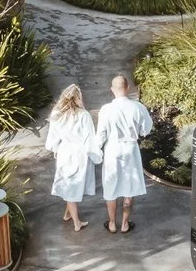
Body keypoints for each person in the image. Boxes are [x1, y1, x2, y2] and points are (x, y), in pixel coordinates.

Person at [95, 74, 153, 233]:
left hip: (112, 150)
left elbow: (100, 135)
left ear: (112, 90)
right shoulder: (138, 107)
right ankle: (125, 224)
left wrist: (95, 151)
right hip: (130, 150)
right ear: (127, 88)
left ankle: (112, 223)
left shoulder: (106, 109)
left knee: (111, 187)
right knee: (129, 187)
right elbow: (146, 129)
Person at [44, 84, 97, 231]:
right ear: (78, 98)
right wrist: (96, 156)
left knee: (69, 185)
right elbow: (90, 138)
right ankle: (76, 223)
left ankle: (67, 214)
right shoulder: (84, 115)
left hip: (65, 152)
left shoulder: (57, 114)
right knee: (73, 188)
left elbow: (53, 138)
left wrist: (55, 149)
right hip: (79, 154)